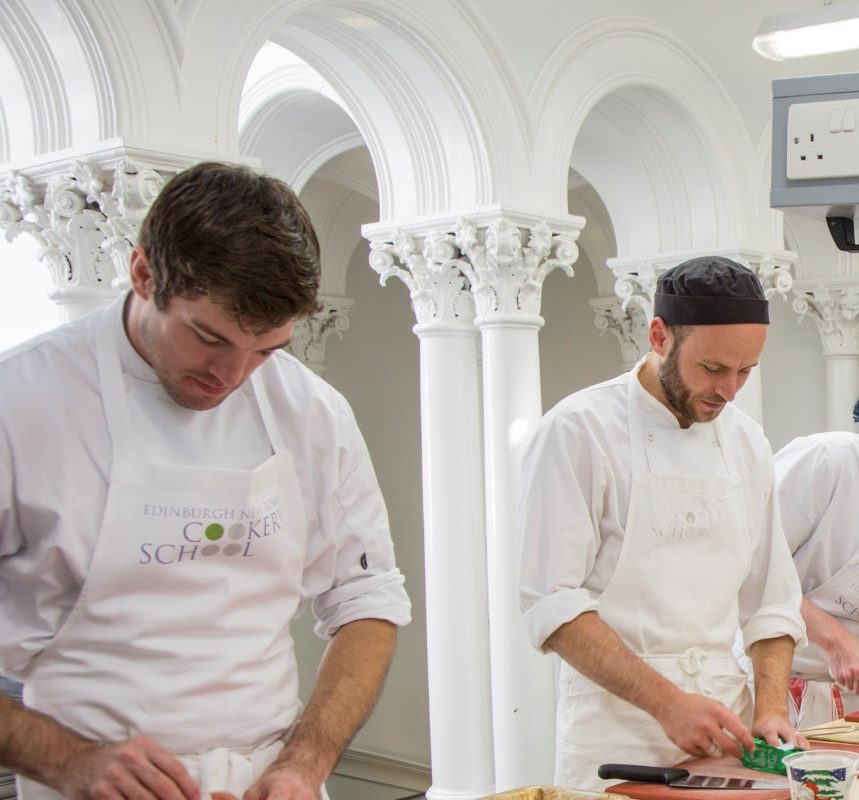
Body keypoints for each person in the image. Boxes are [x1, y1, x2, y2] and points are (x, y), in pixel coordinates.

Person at [0, 161, 411, 800]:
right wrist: (69, 761)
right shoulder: (20, 403)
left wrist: (305, 762)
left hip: (267, 781)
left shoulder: (312, 411)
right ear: (143, 274)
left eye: (267, 349)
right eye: (209, 338)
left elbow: (366, 600)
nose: (233, 375)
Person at [518, 256, 807, 791]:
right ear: (659, 335)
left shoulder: (747, 442)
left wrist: (768, 710)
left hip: (730, 726)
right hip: (613, 730)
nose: (729, 391)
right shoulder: (578, 430)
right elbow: (550, 601)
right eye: (714, 368)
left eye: (745, 371)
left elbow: (770, 602)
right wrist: (667, 703)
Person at [775, 431, 859, 729]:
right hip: (775, 690)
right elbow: (749, 568)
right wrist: (835, 639)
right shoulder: (828, 461)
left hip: (849, 703)